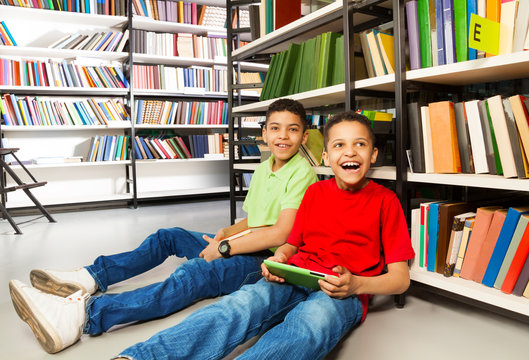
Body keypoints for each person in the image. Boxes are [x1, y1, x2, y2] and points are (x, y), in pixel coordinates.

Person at [8, 98, 319, 354]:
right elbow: (255, 219)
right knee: (168, 237)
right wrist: (225, 233)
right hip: (242, 242)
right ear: (263, 133)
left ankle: (83, 316)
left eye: (292, 130)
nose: (283, 136)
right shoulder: (264, 168)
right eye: (275, 128)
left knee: (195, 273)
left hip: (265, 260)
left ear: (304, 136)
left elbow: (280, 233)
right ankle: (91, 276)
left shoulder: (302, 172)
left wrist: (223, 248)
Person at [111, 110, 415, 360]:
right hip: (295, 274)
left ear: (373, 154)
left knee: (308, 326)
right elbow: (290, 244)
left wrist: (357, 284)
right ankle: (144, 357)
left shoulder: (385, 201)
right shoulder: (315, 193)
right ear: (324, 156)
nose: (349, 151)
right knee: (239, 305)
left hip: (342, 292)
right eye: (339, 145)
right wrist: (279, 259)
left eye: (359, 144)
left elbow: (401, 278)